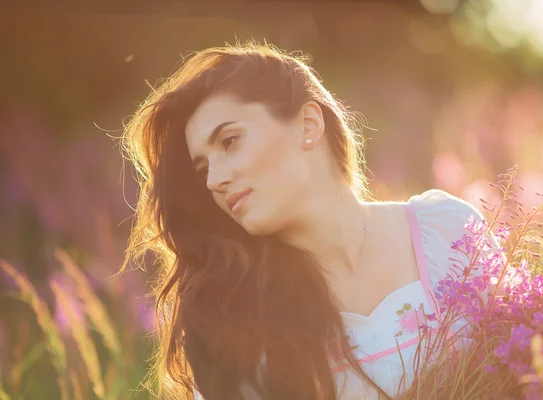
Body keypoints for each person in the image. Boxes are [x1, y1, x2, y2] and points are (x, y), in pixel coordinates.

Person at [120, 41, 498, 400]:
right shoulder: (233, 313)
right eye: (203, 167)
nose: (213, 179)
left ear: (308, 125)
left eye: (230, 141)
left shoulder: (446, 230)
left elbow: (536, 351)